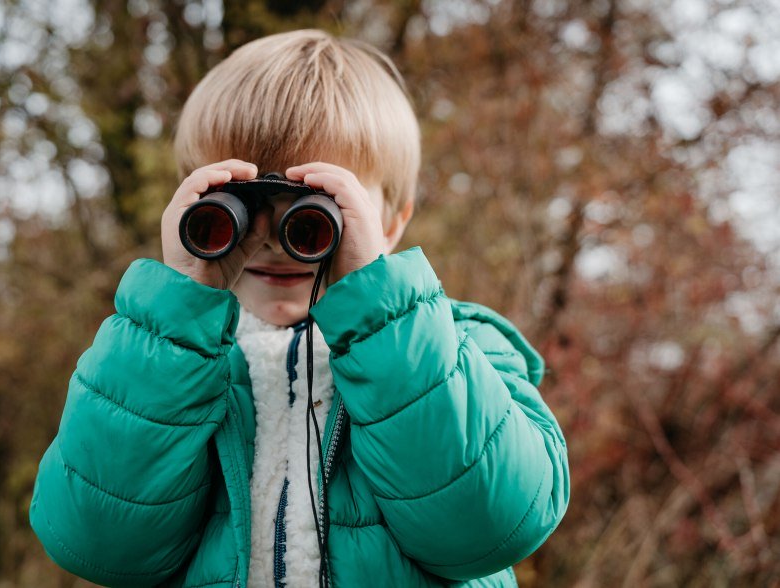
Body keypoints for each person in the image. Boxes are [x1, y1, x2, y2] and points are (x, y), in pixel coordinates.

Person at [29, 29, 570, 588]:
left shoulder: (459, 347)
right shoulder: (165, 355)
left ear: (392, 220)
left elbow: (491, 528)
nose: (271, 242)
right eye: (240, 207)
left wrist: (381, 315)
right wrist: (177, 321)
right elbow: (95, 543)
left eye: (314, 213)